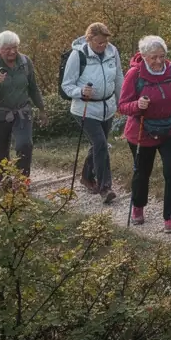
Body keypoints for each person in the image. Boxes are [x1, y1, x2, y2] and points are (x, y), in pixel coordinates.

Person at [117, 35, 171, 233]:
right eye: (153, 57)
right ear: (143, 56)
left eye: (162, 56)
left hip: (169, 128)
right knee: (142, 172)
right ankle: (138, 205)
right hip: (142, 130)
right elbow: (122, 106)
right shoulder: (134, 74)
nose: (158, 61)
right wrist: (137, 105)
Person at [61, 22, 122, 204]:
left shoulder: (112, 52)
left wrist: (122, 102)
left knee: (98, 145)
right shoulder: (78, 55)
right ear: (89, 40)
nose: (102, 46)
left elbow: (119, 76)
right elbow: (66, 85)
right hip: (85, 109)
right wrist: (80, 92)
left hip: (107, 107)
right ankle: (105, 188)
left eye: (104, 42)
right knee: (101, 144)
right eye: (98, 43)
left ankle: (86, 177)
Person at [0, 30, 45, 179]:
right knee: (1, 152)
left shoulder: (25, 62)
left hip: (22, 111)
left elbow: (33, 87)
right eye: (7, 49)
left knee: (25, 145)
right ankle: (7, 185)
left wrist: (41, 109)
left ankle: (22, 181)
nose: (12, 51)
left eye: (15, 47)